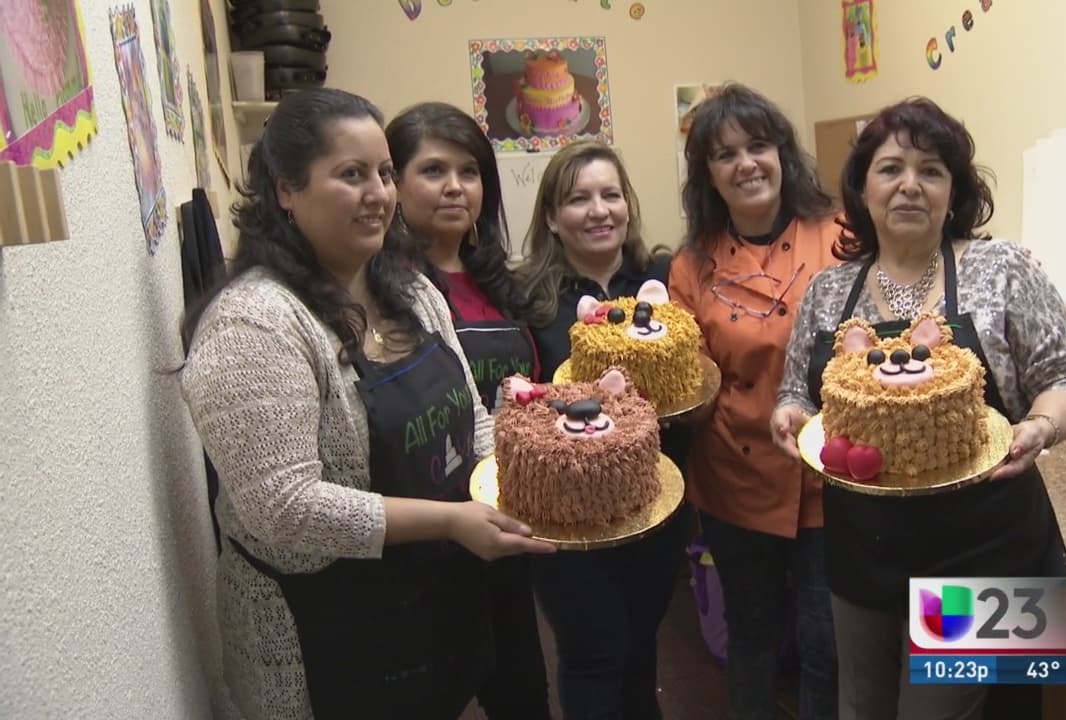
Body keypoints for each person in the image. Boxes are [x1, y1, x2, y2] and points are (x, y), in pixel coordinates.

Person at [180, 88, 554, 720]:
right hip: (322, 643)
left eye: (383, 173)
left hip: (428, 611)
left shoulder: (413, 294)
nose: (379, 194)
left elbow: (472, 417)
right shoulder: (255, 324)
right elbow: (284, 510)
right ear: (285, 190)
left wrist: (517, 486)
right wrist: (449, 521)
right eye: (351, 175)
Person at [773, 96, 1066, 720]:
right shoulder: (828, 291)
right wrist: (788, 415)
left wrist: (1040, 426)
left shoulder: (1003, 269)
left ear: (955, 192)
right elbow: (797, 394)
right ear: (863, 189)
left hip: (979, 548)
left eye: (932, 170)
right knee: (859, 705)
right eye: (891, 168)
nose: (910, 185)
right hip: (860, 545)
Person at [668, 83, 841, 720]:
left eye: (758, 146)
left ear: (781, 153)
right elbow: (689, 377)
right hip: (734, 478)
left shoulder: (841, 234)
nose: (746, 164)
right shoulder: (691, 266)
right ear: (708, 175)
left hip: (831, 475)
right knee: (752, 639)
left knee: (828, 645)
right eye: (725, 154)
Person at [515, 139, 692, 720]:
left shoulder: (664, 280)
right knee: (595, 650)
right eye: (578, 199)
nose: (598, 211)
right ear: (551, 217)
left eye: (610, 195)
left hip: (655, 499)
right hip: (568, 513)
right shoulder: (529, 300)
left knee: (641, 640)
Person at [386, 101, 551, 720]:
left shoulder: (503, 283)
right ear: (394, 184)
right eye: (433, 170)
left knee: (521, 692)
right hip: (428, 532)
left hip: (504, 517)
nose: (455, 186)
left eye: (469, 171)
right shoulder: (383, 289)